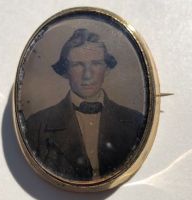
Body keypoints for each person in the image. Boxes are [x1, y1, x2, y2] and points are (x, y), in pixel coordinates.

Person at [25, 28, 144, 181]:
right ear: (65, 71)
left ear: (106, 69)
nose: (87, 75)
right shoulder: (37, 126)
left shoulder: (135, 121)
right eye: (77, 65)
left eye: (96, 63)